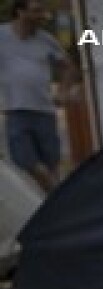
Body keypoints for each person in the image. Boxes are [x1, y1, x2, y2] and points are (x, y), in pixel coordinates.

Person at [0, 0, 77, 193]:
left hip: (45, 110)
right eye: (36, 11)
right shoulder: (2, 35)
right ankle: (60, 198)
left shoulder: (46, 40)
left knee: (52, 163)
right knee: (26, 160)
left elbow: (68, 67)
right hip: (16, 109)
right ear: (20, 12)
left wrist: (63, 91)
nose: (42, 16)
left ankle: (56, 207)